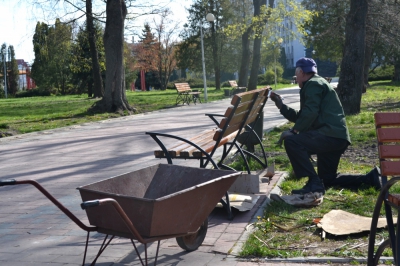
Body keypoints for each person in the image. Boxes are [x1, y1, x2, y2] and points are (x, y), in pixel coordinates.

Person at [269, 57, 381, 195]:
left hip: (329, 135)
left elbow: (310, 113)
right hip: (336, 137)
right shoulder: (317, 83)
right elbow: (304, 116)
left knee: (292, 142)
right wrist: (281, 106)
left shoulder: (313, 85)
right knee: (327, 179)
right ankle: (370, 179)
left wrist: (294, 131)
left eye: (296, 74)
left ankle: (313, 182)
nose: (295, 78)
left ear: (302, 72)